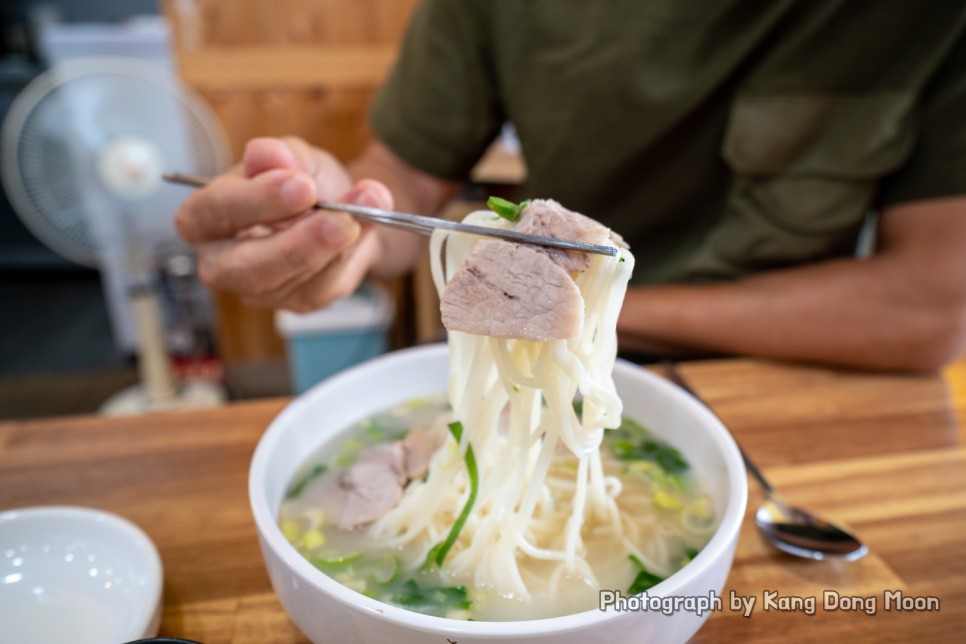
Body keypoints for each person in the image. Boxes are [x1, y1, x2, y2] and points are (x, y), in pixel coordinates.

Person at [175, 1, 966, 373]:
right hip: (539, 367)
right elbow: (404, 176)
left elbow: (933, 306)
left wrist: (580, 313)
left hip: (799, 371)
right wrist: (339, 218)